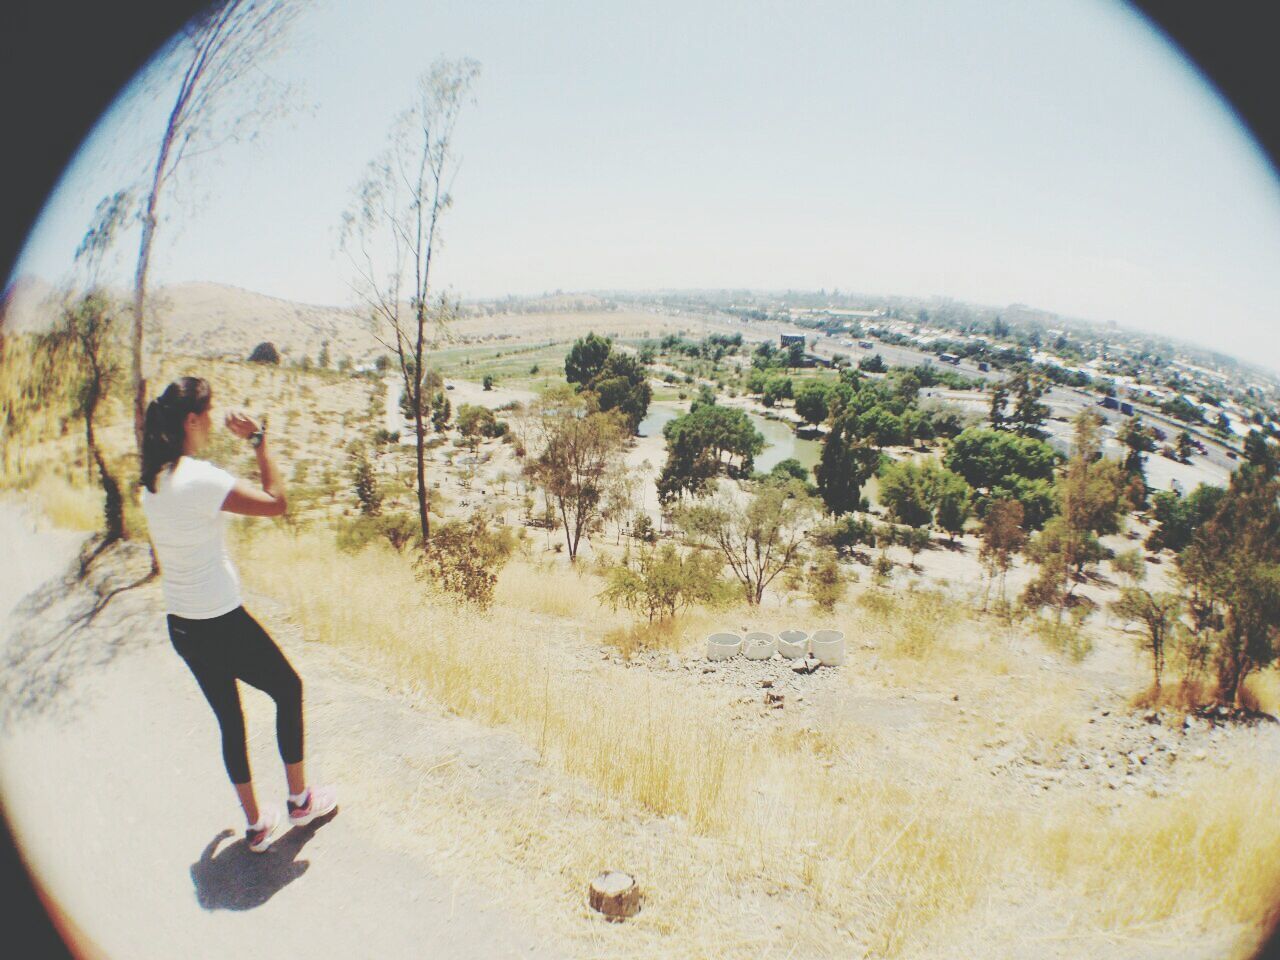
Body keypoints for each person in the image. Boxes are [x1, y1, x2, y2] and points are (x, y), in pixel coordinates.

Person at [139, 376, 336, 853]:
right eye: (207, 415)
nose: (210, 424)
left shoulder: (152, 482)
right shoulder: (198, 477)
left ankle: (255, 825)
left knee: (230, 720)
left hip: (182, 625)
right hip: (221, 622)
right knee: (289, 688)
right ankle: (299, 800)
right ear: (191, 420)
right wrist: (258, 441)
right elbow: (277, 502)